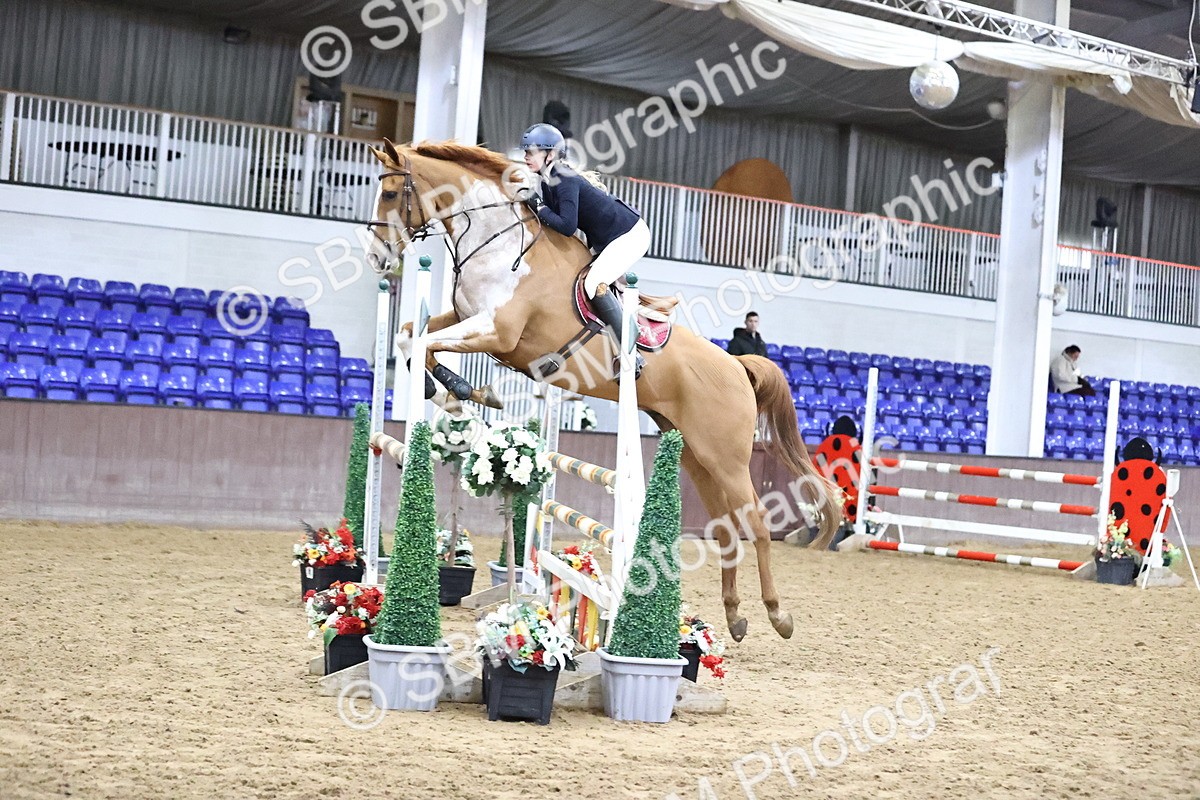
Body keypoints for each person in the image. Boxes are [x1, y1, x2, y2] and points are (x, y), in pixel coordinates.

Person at [520, 123, 650, 367]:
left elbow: (567, 226)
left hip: (629, 234)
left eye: (531, 152)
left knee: (592, 283)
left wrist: (536, 204)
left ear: (550, 154)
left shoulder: (564, 179)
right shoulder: (548, 181)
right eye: (525, 152)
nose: (525, 157)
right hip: (606, 238)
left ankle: (632, 353)